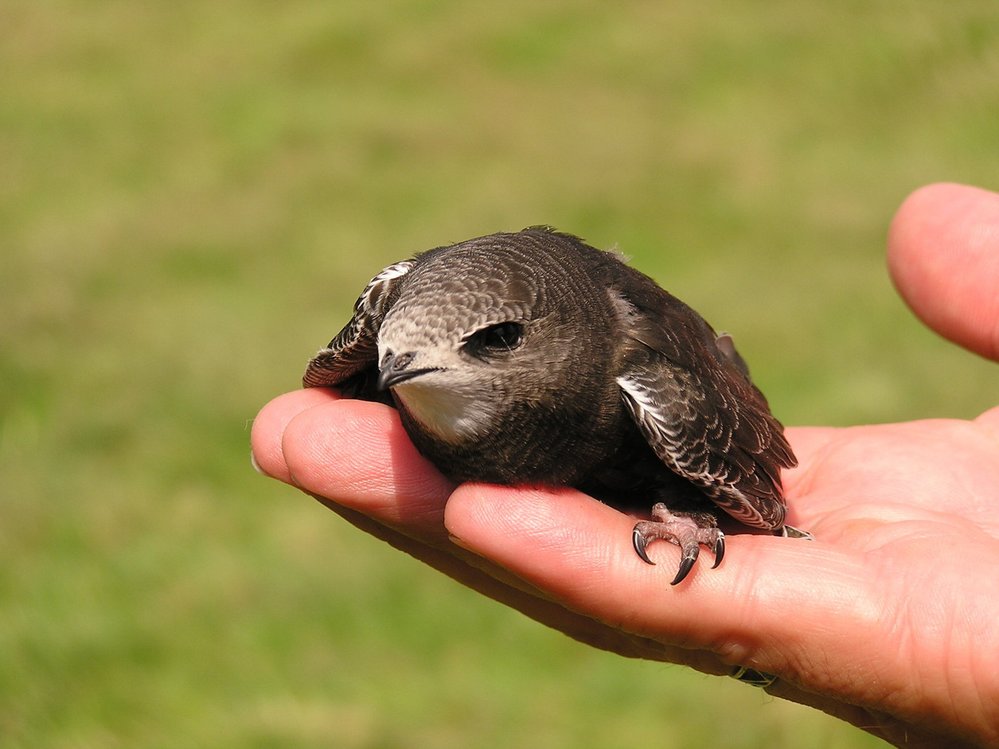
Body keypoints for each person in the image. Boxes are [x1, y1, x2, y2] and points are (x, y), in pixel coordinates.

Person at [251, 182, 999, 748]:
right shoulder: (401, 316)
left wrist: (712, 508)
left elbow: (744, 474)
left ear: (529, 337)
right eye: (395, 356)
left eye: (486, 343)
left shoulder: (638, 358)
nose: (402, 370)